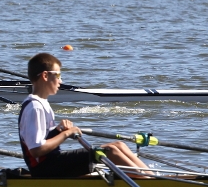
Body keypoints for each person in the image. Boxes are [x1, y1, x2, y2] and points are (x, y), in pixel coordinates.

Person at [18, 52, 150, 178]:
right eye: (57, 75)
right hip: (44, 169)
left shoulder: (42, 103)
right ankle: (149, 183)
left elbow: (42, 138)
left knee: (119, 145)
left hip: (52, 162)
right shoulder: (35, 107)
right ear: (45, 76)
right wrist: (66, 134)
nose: (60, 81)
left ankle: (151, 177)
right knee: (110, 151)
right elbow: (36, 150)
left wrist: (57, 130)